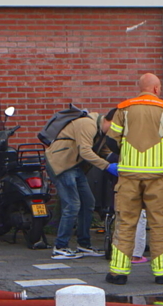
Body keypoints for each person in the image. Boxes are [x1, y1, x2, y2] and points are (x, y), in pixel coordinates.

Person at [105, 73, 163, 285]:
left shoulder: (123, 109)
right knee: (160, 224)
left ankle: (118, 273)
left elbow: (111, 141)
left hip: (128, 177)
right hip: (157, 178)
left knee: (125, 223)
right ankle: (162, 273)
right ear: (157, 89)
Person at [45, 109, 114, 259]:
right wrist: (108, 166)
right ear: (110, 121)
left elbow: (105, 152)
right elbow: (86, 152)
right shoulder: (87, 124)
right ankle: (60, 246)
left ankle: (84, 245)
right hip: (61, 164)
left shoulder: (102, 132)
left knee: (88, 202)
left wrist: (117, 161)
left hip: (75, 166)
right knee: (72, 204)